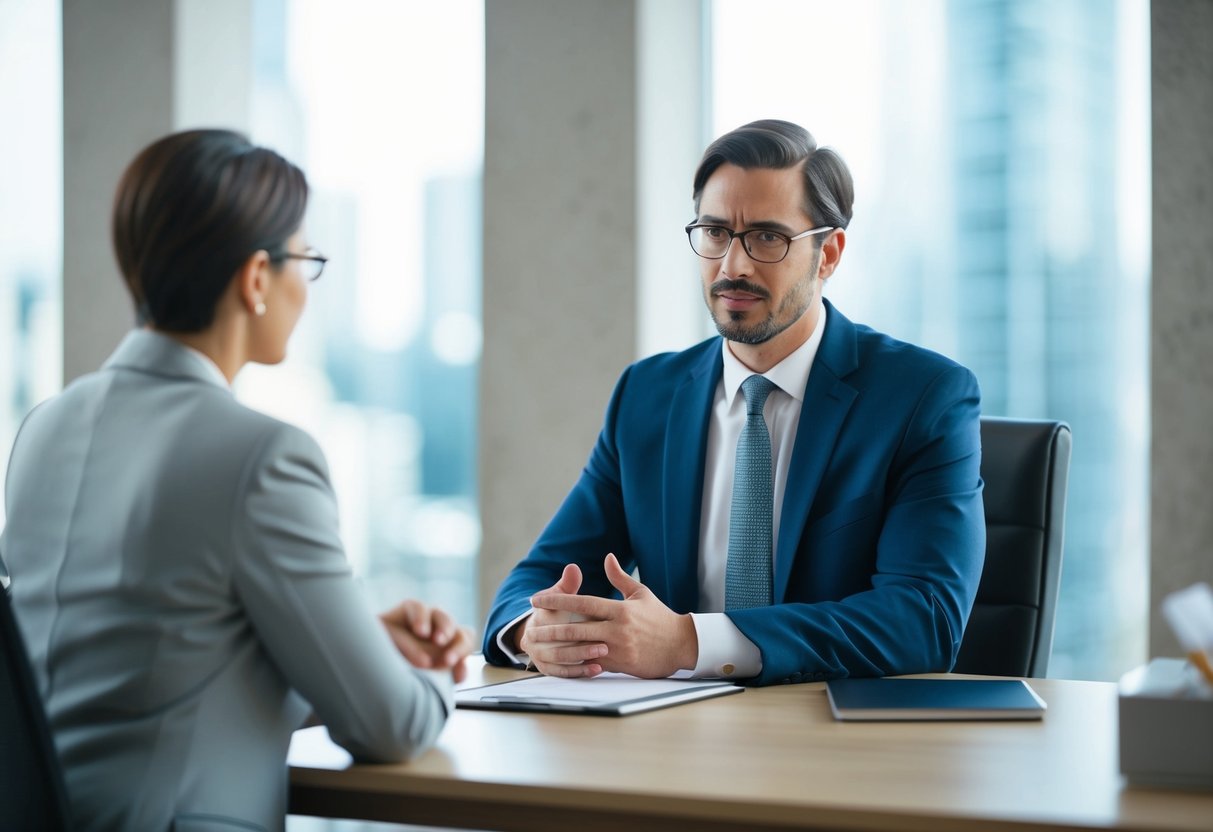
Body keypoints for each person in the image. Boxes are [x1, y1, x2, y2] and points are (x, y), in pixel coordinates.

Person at [0, 129, 473, 830]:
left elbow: (130, 652)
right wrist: (435, 671)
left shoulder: (44, 427)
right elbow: (391, 724)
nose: (304, 290)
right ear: (257, 278)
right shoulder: (263, 457)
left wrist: (353, 640)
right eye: (305, 262)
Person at [482, 119, 985, 686]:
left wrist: (688, 642)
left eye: (768, 237)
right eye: (716, 233)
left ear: (828, 254)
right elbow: (540, 578)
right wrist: (536, 634)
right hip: (671, 742)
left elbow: (926, 620)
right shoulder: (646, 395)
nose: (733, 266)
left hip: (838, 744)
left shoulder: (922, 397)